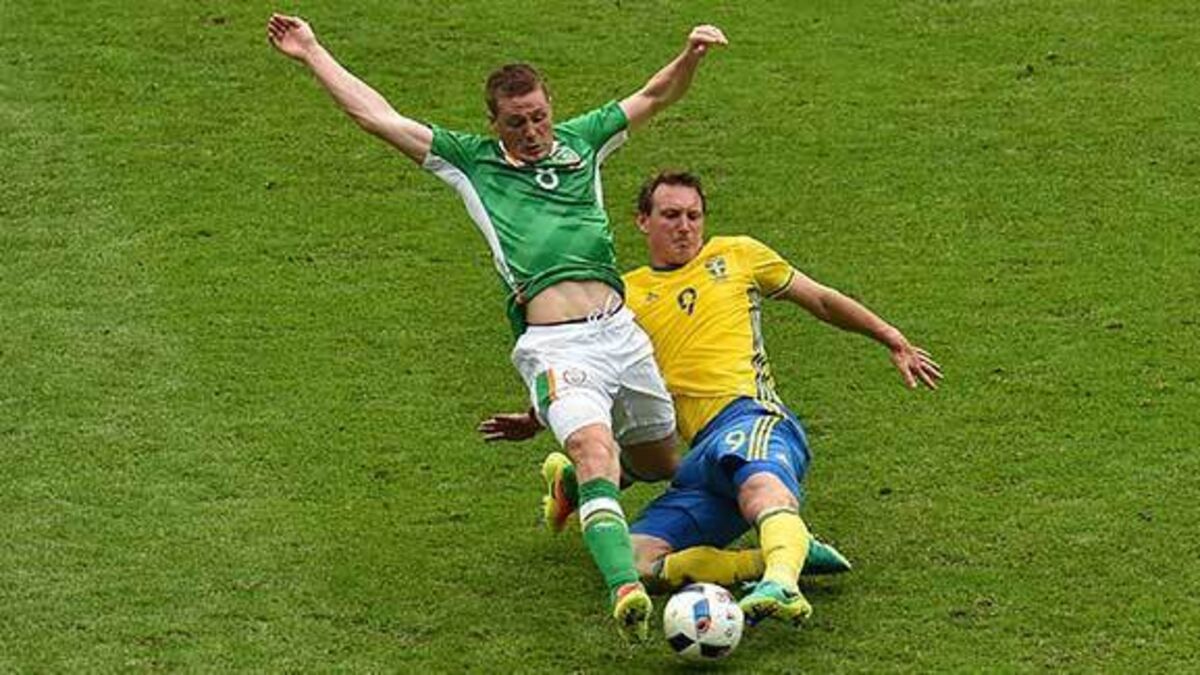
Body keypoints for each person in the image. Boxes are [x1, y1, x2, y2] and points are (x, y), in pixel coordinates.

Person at [266, 14, 728, 640]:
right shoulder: (471, 163)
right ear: (494, 124)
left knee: (663, 460)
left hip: (621, 332)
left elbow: (654, 94)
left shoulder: (583, 141)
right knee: (596, 449)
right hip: (557, 346)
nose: (532, 132)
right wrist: (312, 50)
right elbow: (378, 117)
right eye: (516, 122)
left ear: (550, 108)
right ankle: (625, 589)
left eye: (539, 117)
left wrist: (691, 55)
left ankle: (571, 485)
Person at [480, 171, 942, 626]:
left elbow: (819, 299)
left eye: (694, 216)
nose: (684, 226)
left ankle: (782, 583)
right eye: (671, 215)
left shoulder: (738, 254)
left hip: (752, 417)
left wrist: (891, 338)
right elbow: (589, 364)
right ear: (642, 220)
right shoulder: (623, 297)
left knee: (761, 487)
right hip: (699, 455)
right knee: (637, 557)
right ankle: (769, 557)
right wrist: (537, 416)